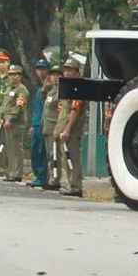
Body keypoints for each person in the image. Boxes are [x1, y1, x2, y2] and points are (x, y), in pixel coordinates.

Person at [54, 54, 88, 197]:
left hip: (73, 130)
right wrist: (58, 127)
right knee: (66, 156)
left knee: (73, 156)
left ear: (77, 72)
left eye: (70, 70)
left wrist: (67, 129)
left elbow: (75, 110)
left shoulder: (78, 88)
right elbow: (62, 110)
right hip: (65, 128)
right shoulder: (67, 87)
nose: (67, 73)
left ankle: (75, 185)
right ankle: (70, 183)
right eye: (66, 70)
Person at [29, 57, 57, 188]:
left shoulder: (50, 88)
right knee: (35, 150)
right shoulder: (39, 87)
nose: (41, 72)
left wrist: (45, 90)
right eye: (39, 69)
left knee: (43, 152)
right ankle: (37, 176)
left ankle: (42, 177)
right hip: (36, 122)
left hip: (45, 123)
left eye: (44, 69)